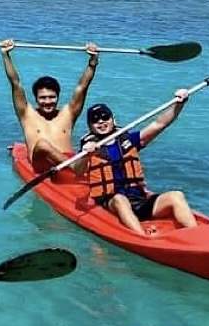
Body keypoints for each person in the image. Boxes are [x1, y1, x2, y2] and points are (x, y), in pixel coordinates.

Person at [81, 95, 197, 235]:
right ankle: (143, 237)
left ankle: (197, 235)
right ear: (89, 126)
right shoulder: (89, 147)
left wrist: (179, 104)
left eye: (105, 117)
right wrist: (85, 155)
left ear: (113, 120)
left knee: (176, 195)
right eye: (95, 120)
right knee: (120, 199)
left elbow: (159, 124)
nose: (101, 121)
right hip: (112, 203)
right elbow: (77, 170)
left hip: (139, 200)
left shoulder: (128, 140)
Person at [1, 39, 100, 170]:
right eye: (43, 98)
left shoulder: (68, 113)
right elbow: (15, 83)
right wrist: (5, 55)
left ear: (58, 97)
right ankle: (75, 166)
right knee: (42, 144)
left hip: (67, 161)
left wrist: (93, 62)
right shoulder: (27, 114)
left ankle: (74, 166)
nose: (47, 102)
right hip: (42, 164)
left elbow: (82, 86)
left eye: (52, 97)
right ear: (36, 99)